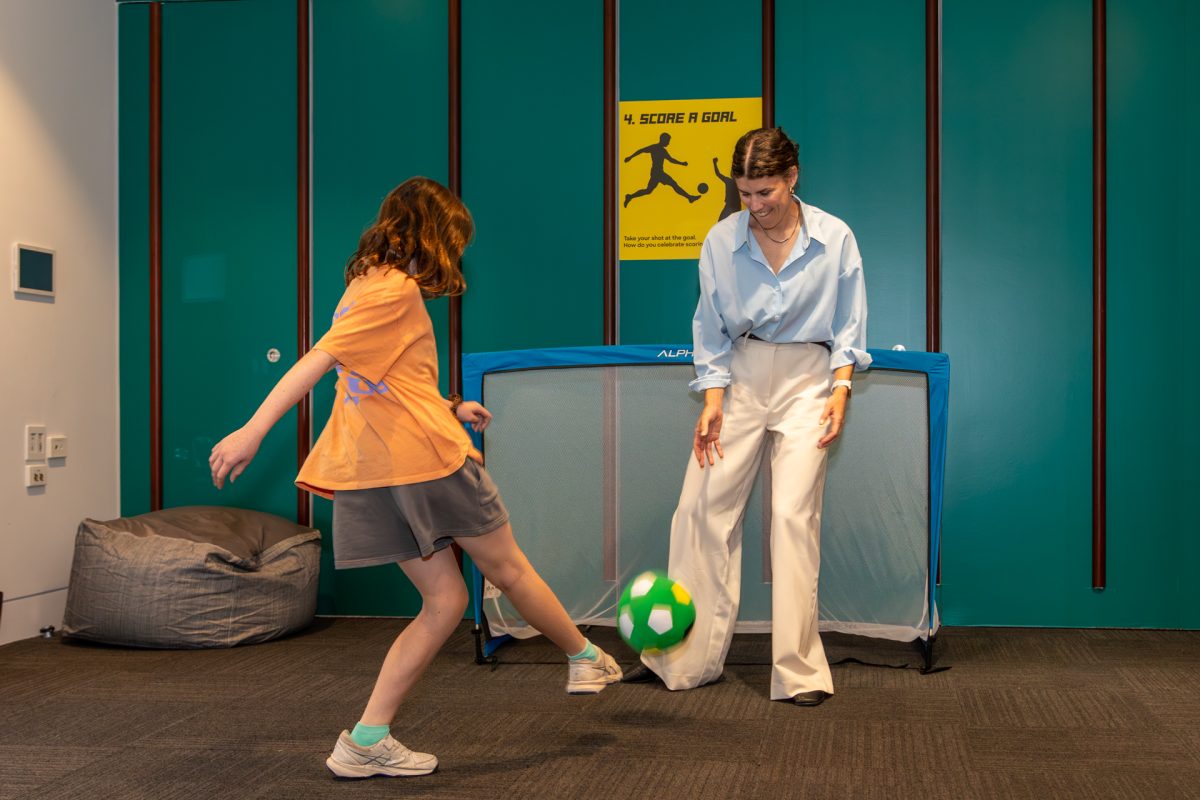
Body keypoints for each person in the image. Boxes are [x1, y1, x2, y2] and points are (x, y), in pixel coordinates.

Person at [208, 177, 621, 780]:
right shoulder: (396, 291)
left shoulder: (360, 286)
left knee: (446, 600)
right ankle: (585, 657)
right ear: (435, 234)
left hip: (372, 470)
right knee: (508, 568)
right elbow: (317, 362)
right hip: (425, 464)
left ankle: (366, 739)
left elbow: (383, 379)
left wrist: (450, 405)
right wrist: (253, 429)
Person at [623, 128, 869, 706]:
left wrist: (841, 389)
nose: (754, 206)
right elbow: (708, 326)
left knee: (791, 516)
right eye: (745, 193)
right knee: (699, 509)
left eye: (765, 192)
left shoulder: (835, 238)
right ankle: (680, 661)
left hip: (810, 379)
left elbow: (851, 326)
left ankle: (800, 673)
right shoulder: (720, 240)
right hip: (740, 374)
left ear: (792, 178)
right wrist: (712, 397)